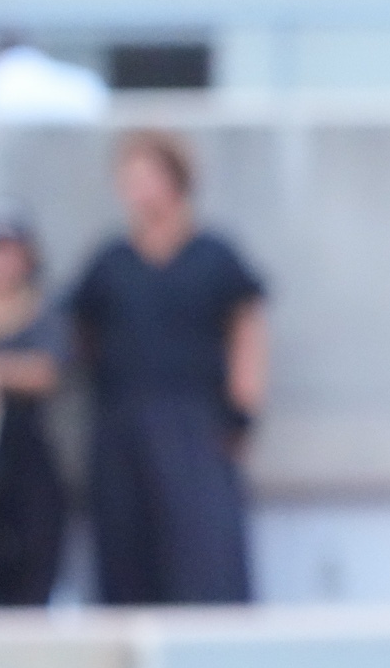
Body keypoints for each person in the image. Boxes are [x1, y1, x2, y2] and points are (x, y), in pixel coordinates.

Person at [70, 131, 266, 605]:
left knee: (203, 560)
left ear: (175, 180)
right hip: (123, 426)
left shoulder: (214, 255)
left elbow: (248, 331)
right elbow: (79, 331)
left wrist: (243, 409)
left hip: (195, 424)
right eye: (128, 178)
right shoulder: (111, 261)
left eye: (146, 176)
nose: (136, 189)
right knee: (127, 560)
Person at [0, 220, 67, 606]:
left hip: (27, 460)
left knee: (30, 575)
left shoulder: (43, 311)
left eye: (10, 251)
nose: (1, 262)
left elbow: (50, 371)